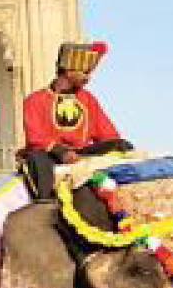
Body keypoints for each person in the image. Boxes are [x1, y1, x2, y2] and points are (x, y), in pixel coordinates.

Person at [18, 41, 133, 199]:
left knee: (121, 145)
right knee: (38, 158)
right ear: (68, 70)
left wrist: (117, 146)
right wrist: (61, 151)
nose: (88, 78)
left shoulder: (87, 99)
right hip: (49, 153)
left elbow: (108, 133)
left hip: (81, 152)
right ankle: (44, 202)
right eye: (84, 73)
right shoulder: (35, 99)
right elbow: (35, 137)